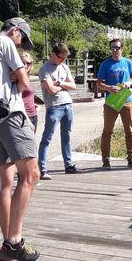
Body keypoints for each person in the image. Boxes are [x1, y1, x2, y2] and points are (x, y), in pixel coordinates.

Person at [0, 17, 41, 261]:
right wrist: (16, 77)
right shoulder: (4, 43)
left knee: (5, 181)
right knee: (31, 174)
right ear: (15, 31)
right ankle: (14, 241)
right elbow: (25, 84)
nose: (21, 45)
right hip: (11, 116)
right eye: (22, 38)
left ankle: (6, 244)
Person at [37, 42, 84, 179]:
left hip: (68, 104)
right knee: (47, 138)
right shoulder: (45, 69)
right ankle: (42, 169)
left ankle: (68, 165)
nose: (62, 60)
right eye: (60, 57)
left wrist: (60, 84)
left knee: (67, 137)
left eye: (64, 58)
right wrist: (61, 87)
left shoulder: (64, 67)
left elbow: (73, 85)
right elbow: (50, 90)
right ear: (53, 54)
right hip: (54, 106)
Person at [97, 38, 132, 168]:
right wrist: (109, 88)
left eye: (117, 48)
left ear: (122, 49)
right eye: (113, 48)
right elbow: (99, 83)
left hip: (126, 100)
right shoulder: (105, 64)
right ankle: (106, 160)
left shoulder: (128, 62)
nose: (115, 50)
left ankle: (131, 158)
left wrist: (129, 83)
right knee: (107, 131)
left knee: (130, 131)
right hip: (111, 101)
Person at [20, 51, 39, 132]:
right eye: (22, 63)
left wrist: (34, 104)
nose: (25, 66)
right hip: (24, 117)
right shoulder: (17, 79)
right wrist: (26, 119)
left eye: (28, 63)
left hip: (33, 114)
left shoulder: (27, 78)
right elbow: (16, 100)